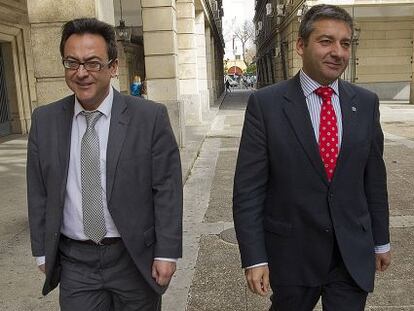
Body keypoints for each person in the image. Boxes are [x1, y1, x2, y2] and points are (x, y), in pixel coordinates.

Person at [233, 4, 391, 311]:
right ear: (301, 45)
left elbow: (374, 181)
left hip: (350, 256)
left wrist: (381, 241)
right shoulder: (265, 105)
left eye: (345, 43)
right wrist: (255, 257)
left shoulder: (366, 103)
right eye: (326, 41)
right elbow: (248, 190)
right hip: (292, 254)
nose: (338, 52)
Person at [26, 17, 182, 311]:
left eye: (93, 63)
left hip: (134, 257)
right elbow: (38, 192)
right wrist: (41, 252)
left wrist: (167, 252)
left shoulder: (149, 118)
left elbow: (167, 188)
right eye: (72, 62)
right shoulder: (44, 121)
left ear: (112, 67)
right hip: (75, 263)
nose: (82, 72)